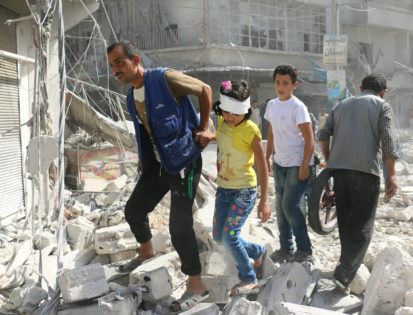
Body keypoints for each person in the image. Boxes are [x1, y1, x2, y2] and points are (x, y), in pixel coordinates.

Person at [107, 41, 212, 312]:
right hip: (158, 165)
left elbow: (205, 90)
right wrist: (144, 163)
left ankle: (196, 284)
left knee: (178, 226)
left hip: (184, 161)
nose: (115, 70)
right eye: (112, 66)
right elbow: (145, 133)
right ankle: (147, 252)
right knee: (133, 210)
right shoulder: (131, 96)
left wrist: (204, 129)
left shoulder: (164, 78)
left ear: (136, 59)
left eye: (119, 62)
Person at [318, 73, 398, 295]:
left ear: (361, 87)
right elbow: (389, 141)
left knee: (346, 221)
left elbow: (323, 133)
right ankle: (343, 275)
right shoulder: (382, 106)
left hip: (340, 171)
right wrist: (391, 175)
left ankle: (345, 268)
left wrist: (329, 160)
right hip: (365, 171)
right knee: (363, 227)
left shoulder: (342, 104)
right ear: (383, 92)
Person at [210, 80, 271, 296]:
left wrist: (264, 201)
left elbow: (263, 166)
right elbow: (217, 137)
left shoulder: (250, 129)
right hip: (224, 190)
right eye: (227, 111)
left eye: (236, 113)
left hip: (244, 191)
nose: (230, 117)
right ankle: (258, 251)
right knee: (218, 237)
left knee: (230, 236)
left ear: (244, 111)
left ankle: (249, 278)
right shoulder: (221, 122)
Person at [265, 64, 315, 264]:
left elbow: (309, 139)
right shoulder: (271, 105)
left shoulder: (298, 107)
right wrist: (268, 156)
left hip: (298, 163)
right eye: (278, 82)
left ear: (294, 85)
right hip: (280, 163)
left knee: (290, 205)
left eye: (285, 83)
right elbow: (270, 133)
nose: (280, 86)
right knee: (280, 206)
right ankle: (286, 249)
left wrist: (305, 165)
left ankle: (305, 248)